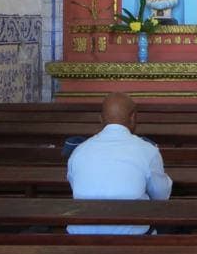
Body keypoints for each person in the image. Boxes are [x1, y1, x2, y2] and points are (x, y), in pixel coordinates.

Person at [66, 93, 172, 234]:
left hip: (79, 237)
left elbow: (77, 188)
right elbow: (161, 196)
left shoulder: (79, 151)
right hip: (133, 240)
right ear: (133, 117)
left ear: (101, 119)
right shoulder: (147, 150)